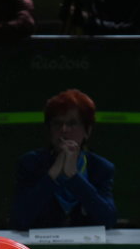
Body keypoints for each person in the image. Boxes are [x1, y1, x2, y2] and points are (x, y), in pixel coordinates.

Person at [10, 89, 118, 230]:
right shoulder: (30, 163)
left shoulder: (101, 168)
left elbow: (109, 220)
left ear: (87, 130)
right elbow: (19, 221)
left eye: (72, 123)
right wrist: (52, 175)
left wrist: (74, 176)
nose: (64, 130)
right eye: (57, 123)